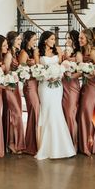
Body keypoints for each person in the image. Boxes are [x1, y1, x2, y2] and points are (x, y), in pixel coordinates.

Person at [34, 31, 76, 160]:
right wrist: (46, 76)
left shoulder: (58, 50)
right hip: (45, 85)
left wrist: (58, 74)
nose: (54, 41)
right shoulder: (37, 51)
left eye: (54, 39)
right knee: (46, 112)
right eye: (52, 39)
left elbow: (62, 66)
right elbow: (37, 69)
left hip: (57, 85)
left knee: (57, 111)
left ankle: (62, 147)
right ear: (45, 40)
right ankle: (45, 147)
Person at [78, 28, 95, 155]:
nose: (79, 40)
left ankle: (90, 145)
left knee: (88, 112)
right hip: (86, 84)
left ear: (88, 39)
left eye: (81, 38)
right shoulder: (83, 51)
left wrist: (90, 73)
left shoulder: (93, 52)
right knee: (83, 112)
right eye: (79, 38)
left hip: (94, 86)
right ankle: (84, 143)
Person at [3, 31, 26, 154]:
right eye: (18, 39)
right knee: (15, 114)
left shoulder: (14, 53)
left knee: (15, 115)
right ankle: (13, 143)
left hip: (15, 87)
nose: (20, 41)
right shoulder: (8, 55)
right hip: (10, 88)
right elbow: (6, 73)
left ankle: (12, 143)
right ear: (12, 41)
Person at [19, 31, 40, 155]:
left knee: (36, 112)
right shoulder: (23, 53)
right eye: (33, 40)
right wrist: (33, 71)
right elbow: (22, 73)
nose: (35, 42)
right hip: (29, 86)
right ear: (27, 40)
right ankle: (31, 145)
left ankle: (35, 142)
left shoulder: (33, 51)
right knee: (34, 111)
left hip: (36, 84)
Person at [62, 30, 82, 149]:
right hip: (63, 84)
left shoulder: (78, 54)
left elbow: (80, 71)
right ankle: (65, 141)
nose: (67, 40)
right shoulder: (65, 52)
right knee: (65, 113)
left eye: (69, 38)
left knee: (70, 113)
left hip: (72, 85)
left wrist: (71, 76)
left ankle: (73, 144)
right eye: (66, 38)